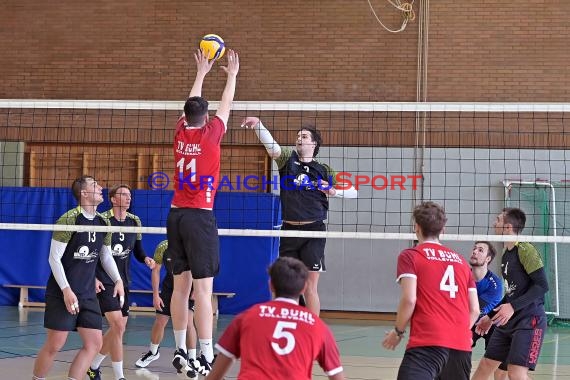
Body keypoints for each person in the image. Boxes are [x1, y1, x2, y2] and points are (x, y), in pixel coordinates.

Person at [167, 48, 239, 378]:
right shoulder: (211, 137)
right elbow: (226, 105)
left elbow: (193, 103)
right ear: (207, 118)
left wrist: (201, 72)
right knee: (204, 291)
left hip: (176, 215)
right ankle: (207, 355)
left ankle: (182, 348)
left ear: (185, 116)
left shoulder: (181, 134)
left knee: (180, 289)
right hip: (199, 217)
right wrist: (232, 76)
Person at [240, 117, 358, 316]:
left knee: (310, 287)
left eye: (304, 136)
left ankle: (313, 330)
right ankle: (288, 322)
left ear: (314, 143)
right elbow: (273, 148)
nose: (299, 139)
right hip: (289, 230)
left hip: (314, 232)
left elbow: (354, 191)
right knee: (286, 285)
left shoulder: (324, 170)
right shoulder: (288, 159)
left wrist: (332, 191)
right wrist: (258, 125)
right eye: (297, 136)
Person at [32, 176, 125, 380]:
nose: (101, 188)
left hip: (87, 294)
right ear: (83, 193)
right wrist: (66, 290)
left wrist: (117, 280)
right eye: (95, 185)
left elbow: (106, 255)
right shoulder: (69, 219)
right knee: (55, 344)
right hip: (63, 291)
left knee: (94, 344)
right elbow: (53, 258)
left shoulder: (103, 222)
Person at [382, 201, 479, 380]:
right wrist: (457, 333)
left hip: (428, 342)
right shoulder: (462, 262)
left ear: (416, 227)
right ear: (443, 230)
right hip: (461, 345)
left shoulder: (411, 255)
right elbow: (474, 310)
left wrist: (398, 332)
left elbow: (410, 299)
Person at [206, 257, 344, 380]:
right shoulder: (318, 327)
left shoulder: (246, 318)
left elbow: (215, 375)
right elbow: (337, 376)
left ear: (271, 285)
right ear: (304, 288)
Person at [472, 207, 549, 380]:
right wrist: (490, 316)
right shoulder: (507, 255)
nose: (494, 223)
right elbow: (511, 293)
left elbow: (542, 285)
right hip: (508, 322)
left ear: (507, 227)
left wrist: (512, 307)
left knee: (516, 373)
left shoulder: (525, 250)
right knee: (486, 366)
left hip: (530, 321)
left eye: (498, 220)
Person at [87, 184, 155, 380]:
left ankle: (93, 366)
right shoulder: (102, 220)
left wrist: (146, 259)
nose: (128, 198)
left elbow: (139, 250)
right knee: (117, 326)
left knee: (119, 329)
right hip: (105, 281)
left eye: (129, 195)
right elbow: (94, 252)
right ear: (113, 199)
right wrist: (94, 277)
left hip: (123, 282)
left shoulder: (135, 221)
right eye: (123, 195)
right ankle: (119, 377)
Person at [135, 240, 197, 370]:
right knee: (160, 321)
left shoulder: (193, 245)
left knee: (188, 323)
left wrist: (197, 290)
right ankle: (153, 352)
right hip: (169, 288)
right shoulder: (163, 246)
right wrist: (156, 295)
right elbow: (156, 271)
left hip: (188, 287)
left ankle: (192, 359)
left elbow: (203, 269)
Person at [469, 241, 507, 380]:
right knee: (459, 348)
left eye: (480, 250)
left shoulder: (495, 284)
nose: (474, 252)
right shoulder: (462, 276)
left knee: (499, 368)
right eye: (474, 249)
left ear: (488, 259)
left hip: (492, 323)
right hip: (471, 321)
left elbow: (476, 309)